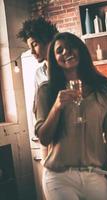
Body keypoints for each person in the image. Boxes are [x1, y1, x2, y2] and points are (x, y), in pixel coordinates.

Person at [34, 32, 107, 200]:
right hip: (59, 177)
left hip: (94, 174)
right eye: (59, 50)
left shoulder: (103, 88)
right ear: (54, 58)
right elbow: (43, 137)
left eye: (71, 46)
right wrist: (56, 107)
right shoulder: (46, 91)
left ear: (81, 50)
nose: (66, 52)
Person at [17, 17, 59, 159]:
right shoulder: (39, 74)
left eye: (34, 45)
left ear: (48, 40)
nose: (32, 52)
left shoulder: (68, 67)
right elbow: (39, 115)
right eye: (30, 47)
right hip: (51, 140)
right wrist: (44, 156)